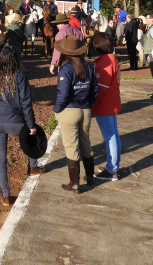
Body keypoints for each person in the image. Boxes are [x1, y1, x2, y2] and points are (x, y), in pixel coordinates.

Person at [0, 46, 46, 207]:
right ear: (14, 59)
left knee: (1, 158)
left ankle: (6, 196)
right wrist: (31, 125)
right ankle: (33, 166)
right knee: (33, 135)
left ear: (0, 59)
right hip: (16, 123)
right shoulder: (20, 75)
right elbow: (26, 102)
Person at [53, 35, 99, 194]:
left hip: (70, 111)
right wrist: (88, 105)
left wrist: (57, 109)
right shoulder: (89, 67)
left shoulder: (66, 69)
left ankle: (74, 183)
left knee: (71, 147)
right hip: (85, 110)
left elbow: (63, 94)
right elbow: (95, 91)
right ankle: (90, 176)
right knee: (86, 143)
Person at [91, 31, 121, 181]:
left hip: (104, 104)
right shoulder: (112, 58)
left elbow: (100, 87)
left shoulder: (105, 61)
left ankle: (111, 170)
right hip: (111, 102)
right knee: (113, 134)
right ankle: (113, 166)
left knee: (110, 136)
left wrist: (90, 102)